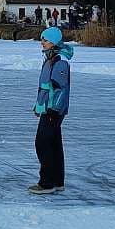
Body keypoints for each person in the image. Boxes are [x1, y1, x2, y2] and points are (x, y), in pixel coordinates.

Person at [30, 26, 72, 195]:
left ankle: (47, 183)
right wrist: (38, 106)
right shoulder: (50, 59)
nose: (42, 42)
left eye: (45, 40)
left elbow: (60, 89)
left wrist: (54, 110)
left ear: (54, 42)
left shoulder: (59, 62)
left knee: (42, 143)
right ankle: (57, 181)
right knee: (53, 144)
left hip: (53, 110)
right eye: (42, 39)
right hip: (47, 108)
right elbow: (45, 88)